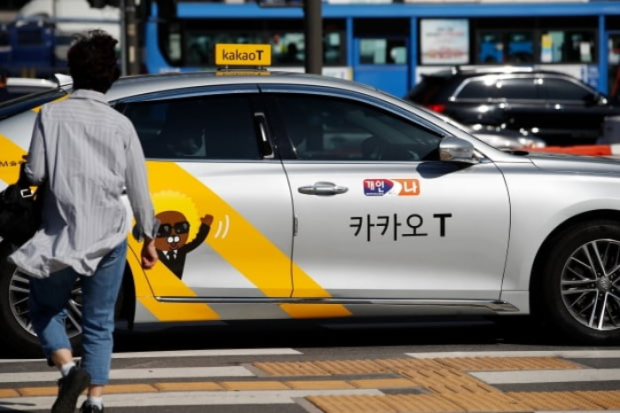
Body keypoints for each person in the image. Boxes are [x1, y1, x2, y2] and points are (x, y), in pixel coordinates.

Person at [8, 30, 159, 413]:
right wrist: (149, 237)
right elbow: (139, 188)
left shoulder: (52, 114)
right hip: (109, 235)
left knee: (44, 309)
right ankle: (94, 403)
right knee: (99, 323)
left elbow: (37, 173)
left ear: (74, 72)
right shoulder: (120, 124)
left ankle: (68, 370)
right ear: (110, 77)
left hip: (62, 234)